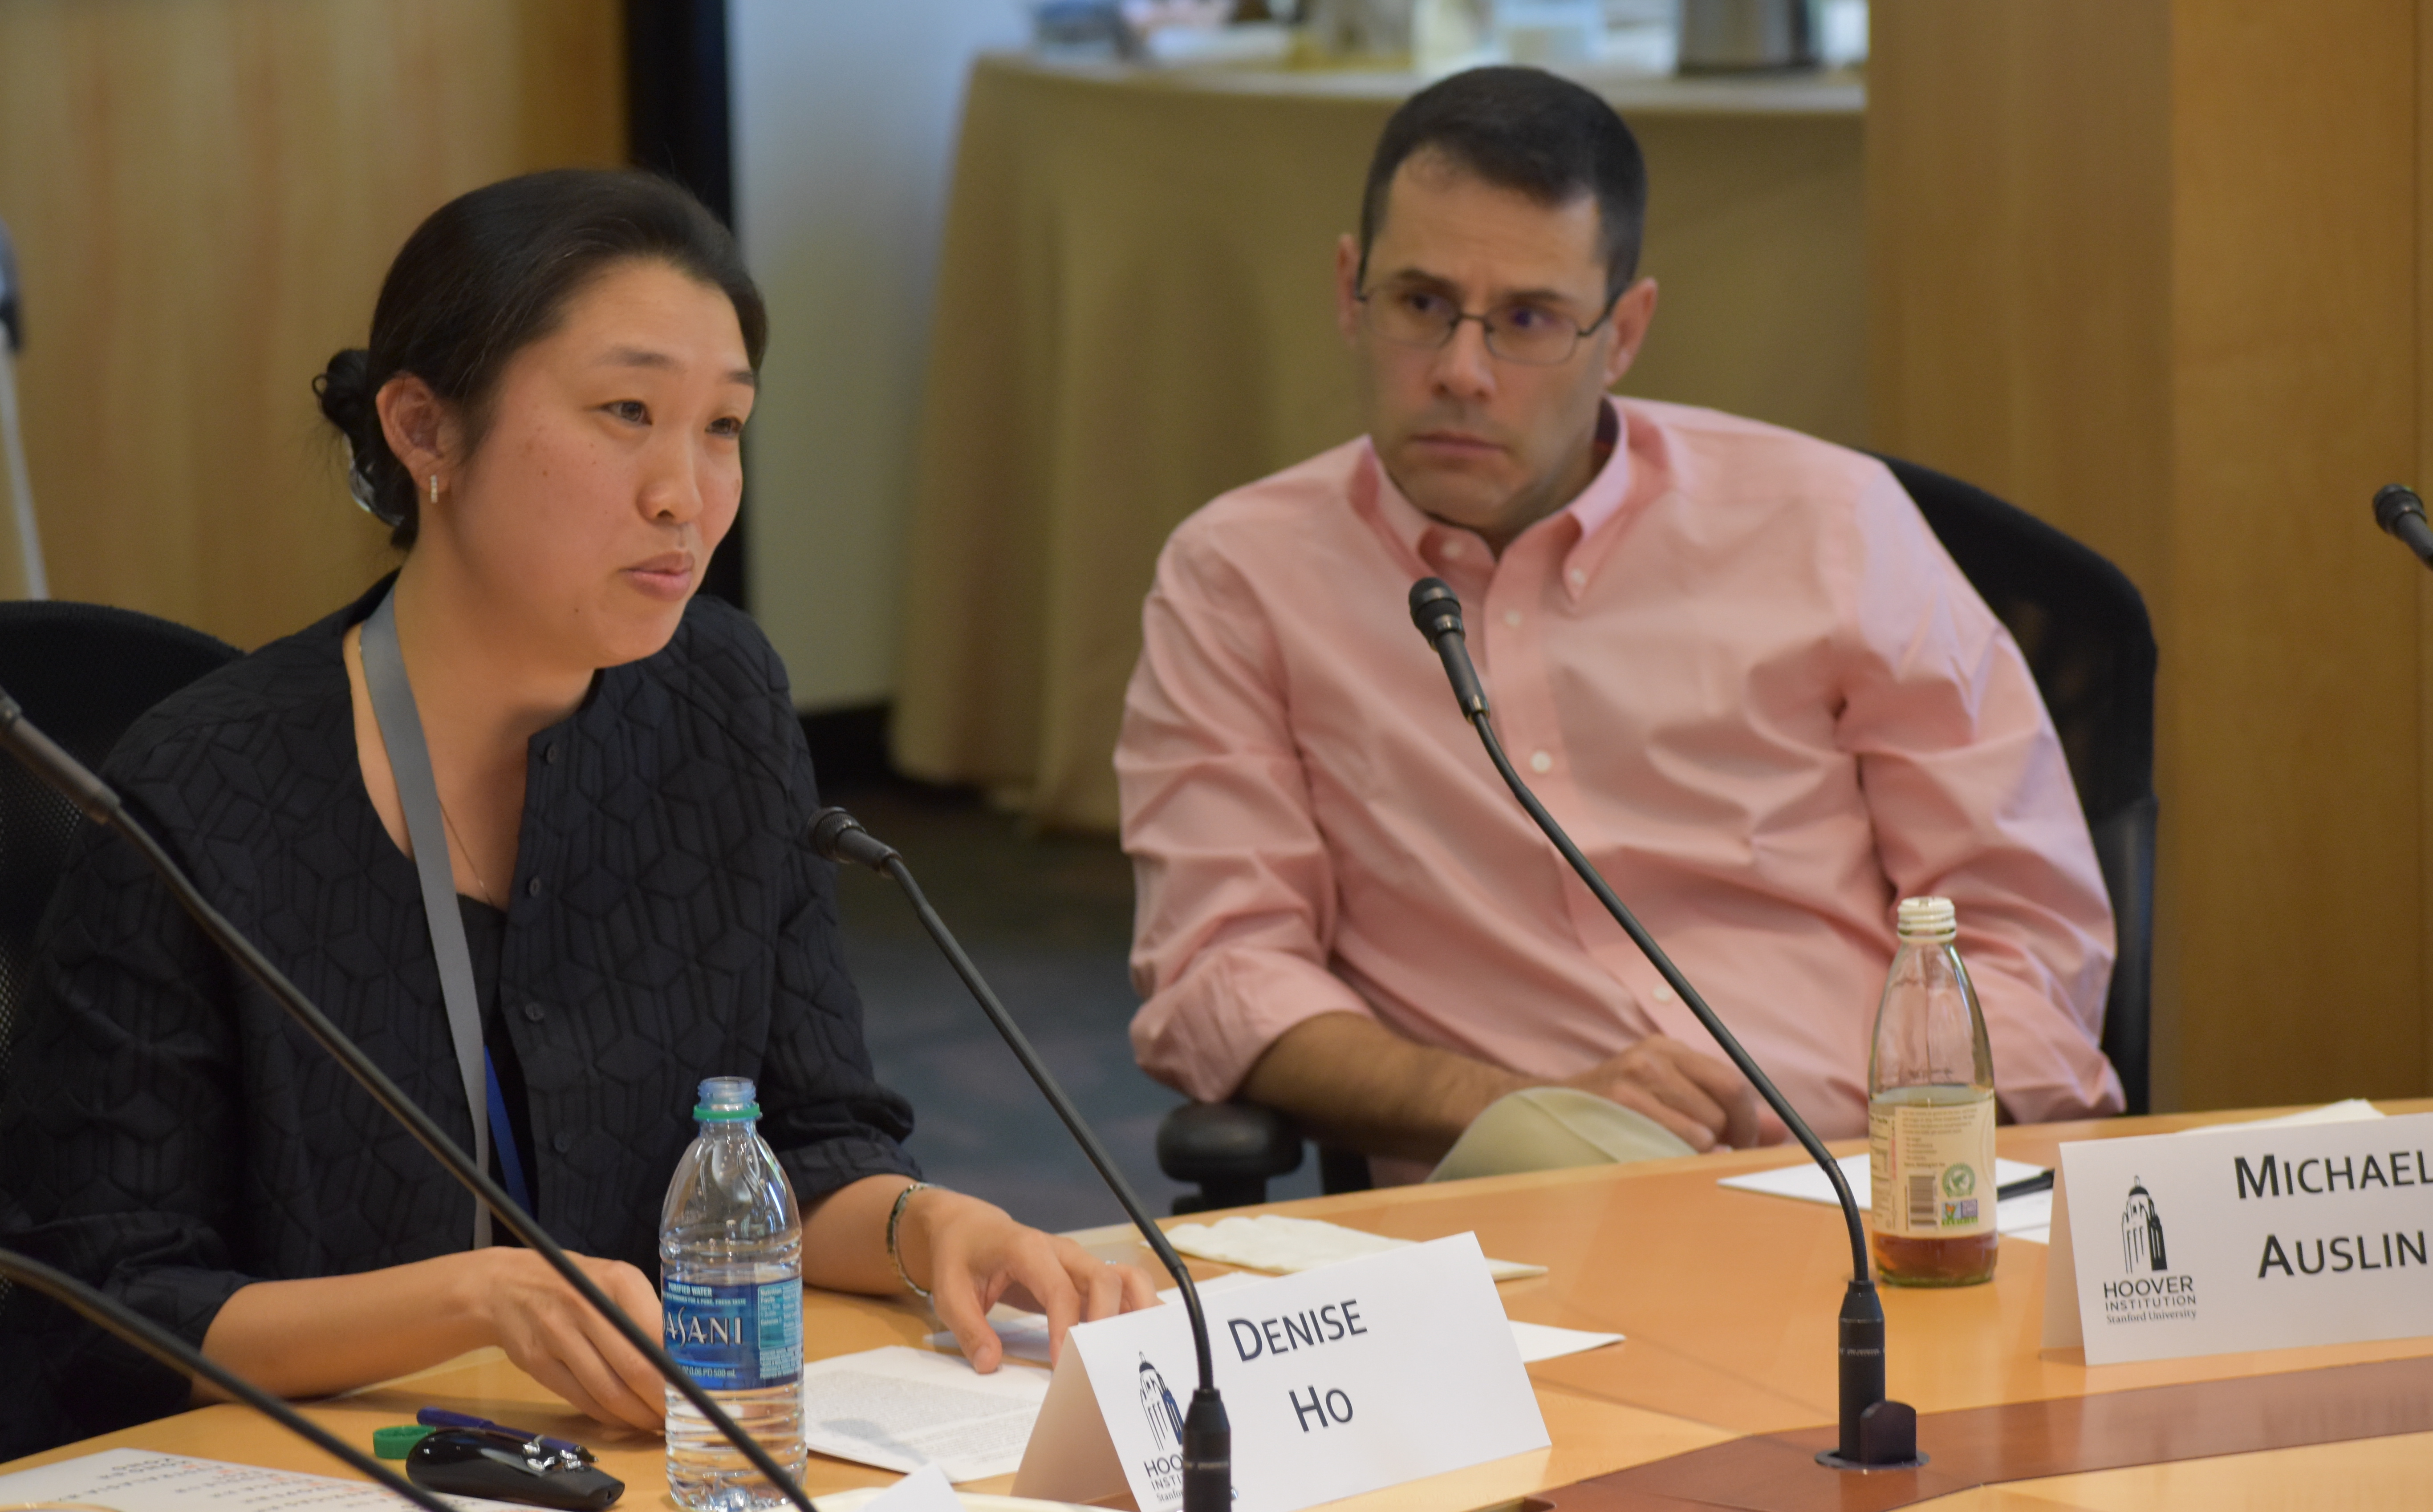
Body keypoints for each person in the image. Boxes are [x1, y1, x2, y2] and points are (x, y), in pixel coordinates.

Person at [0, 169, 1153, 1458]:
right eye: (626, 412)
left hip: (640, 1454)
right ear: (426, 432)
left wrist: (922, 1225)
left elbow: (808, 1138)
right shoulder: (202, 789)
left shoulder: (720, 700)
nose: (687, 494)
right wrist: (470, 1297)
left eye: (723, 426)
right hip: (321, 1469)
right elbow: (107, 1305)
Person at [1118, 68, 2124, 1182]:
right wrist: (1526, 1112)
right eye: (1419, 303)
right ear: (1350, 292)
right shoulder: (1242, 578)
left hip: (1886, 1176)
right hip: (1530, 1228)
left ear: (1626, 330)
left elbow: (2020, 930)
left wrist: (1895, 1163)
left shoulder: (1828, 523)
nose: (1462, 370)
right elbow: (1222, 972)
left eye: (1531, 320)